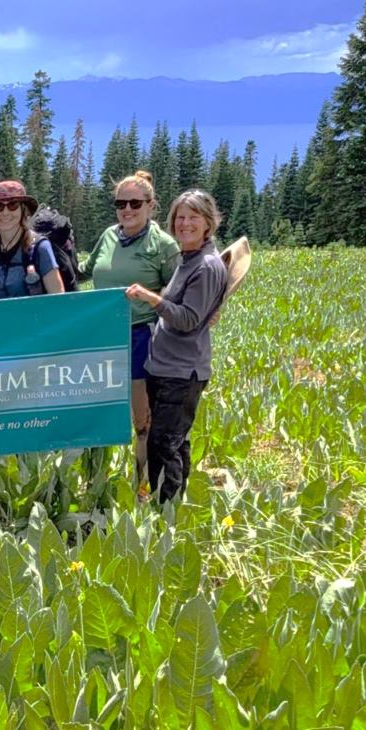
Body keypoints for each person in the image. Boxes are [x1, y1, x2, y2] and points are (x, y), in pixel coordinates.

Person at [125, 189, 228, 503]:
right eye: (180, 217)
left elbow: (187, 319)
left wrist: (151, 298)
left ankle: (164, 512)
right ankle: (175, 505)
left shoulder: (207, 266)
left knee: (163, 445)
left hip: (182, 373)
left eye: (193, 217)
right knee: (174, 442)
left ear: (208, 223)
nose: (185, 224)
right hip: (165, 368)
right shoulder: (188, 259)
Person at [83, 171, 181, 487]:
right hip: (102, 336)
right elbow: (84, 271)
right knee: (97, 412)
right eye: (120, 203)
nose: (127, 209)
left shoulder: (163, 245)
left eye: (135, 203)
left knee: (142, 419)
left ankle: (142, 484)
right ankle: (96, 480)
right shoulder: (109, 235)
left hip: (141, 335)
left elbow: (179, 290)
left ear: (151, 206)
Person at [0, 180, 64, 299]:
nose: (5, 212)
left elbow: (58, 299)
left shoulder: (40, 247)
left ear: (23, 210)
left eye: (13, 205)